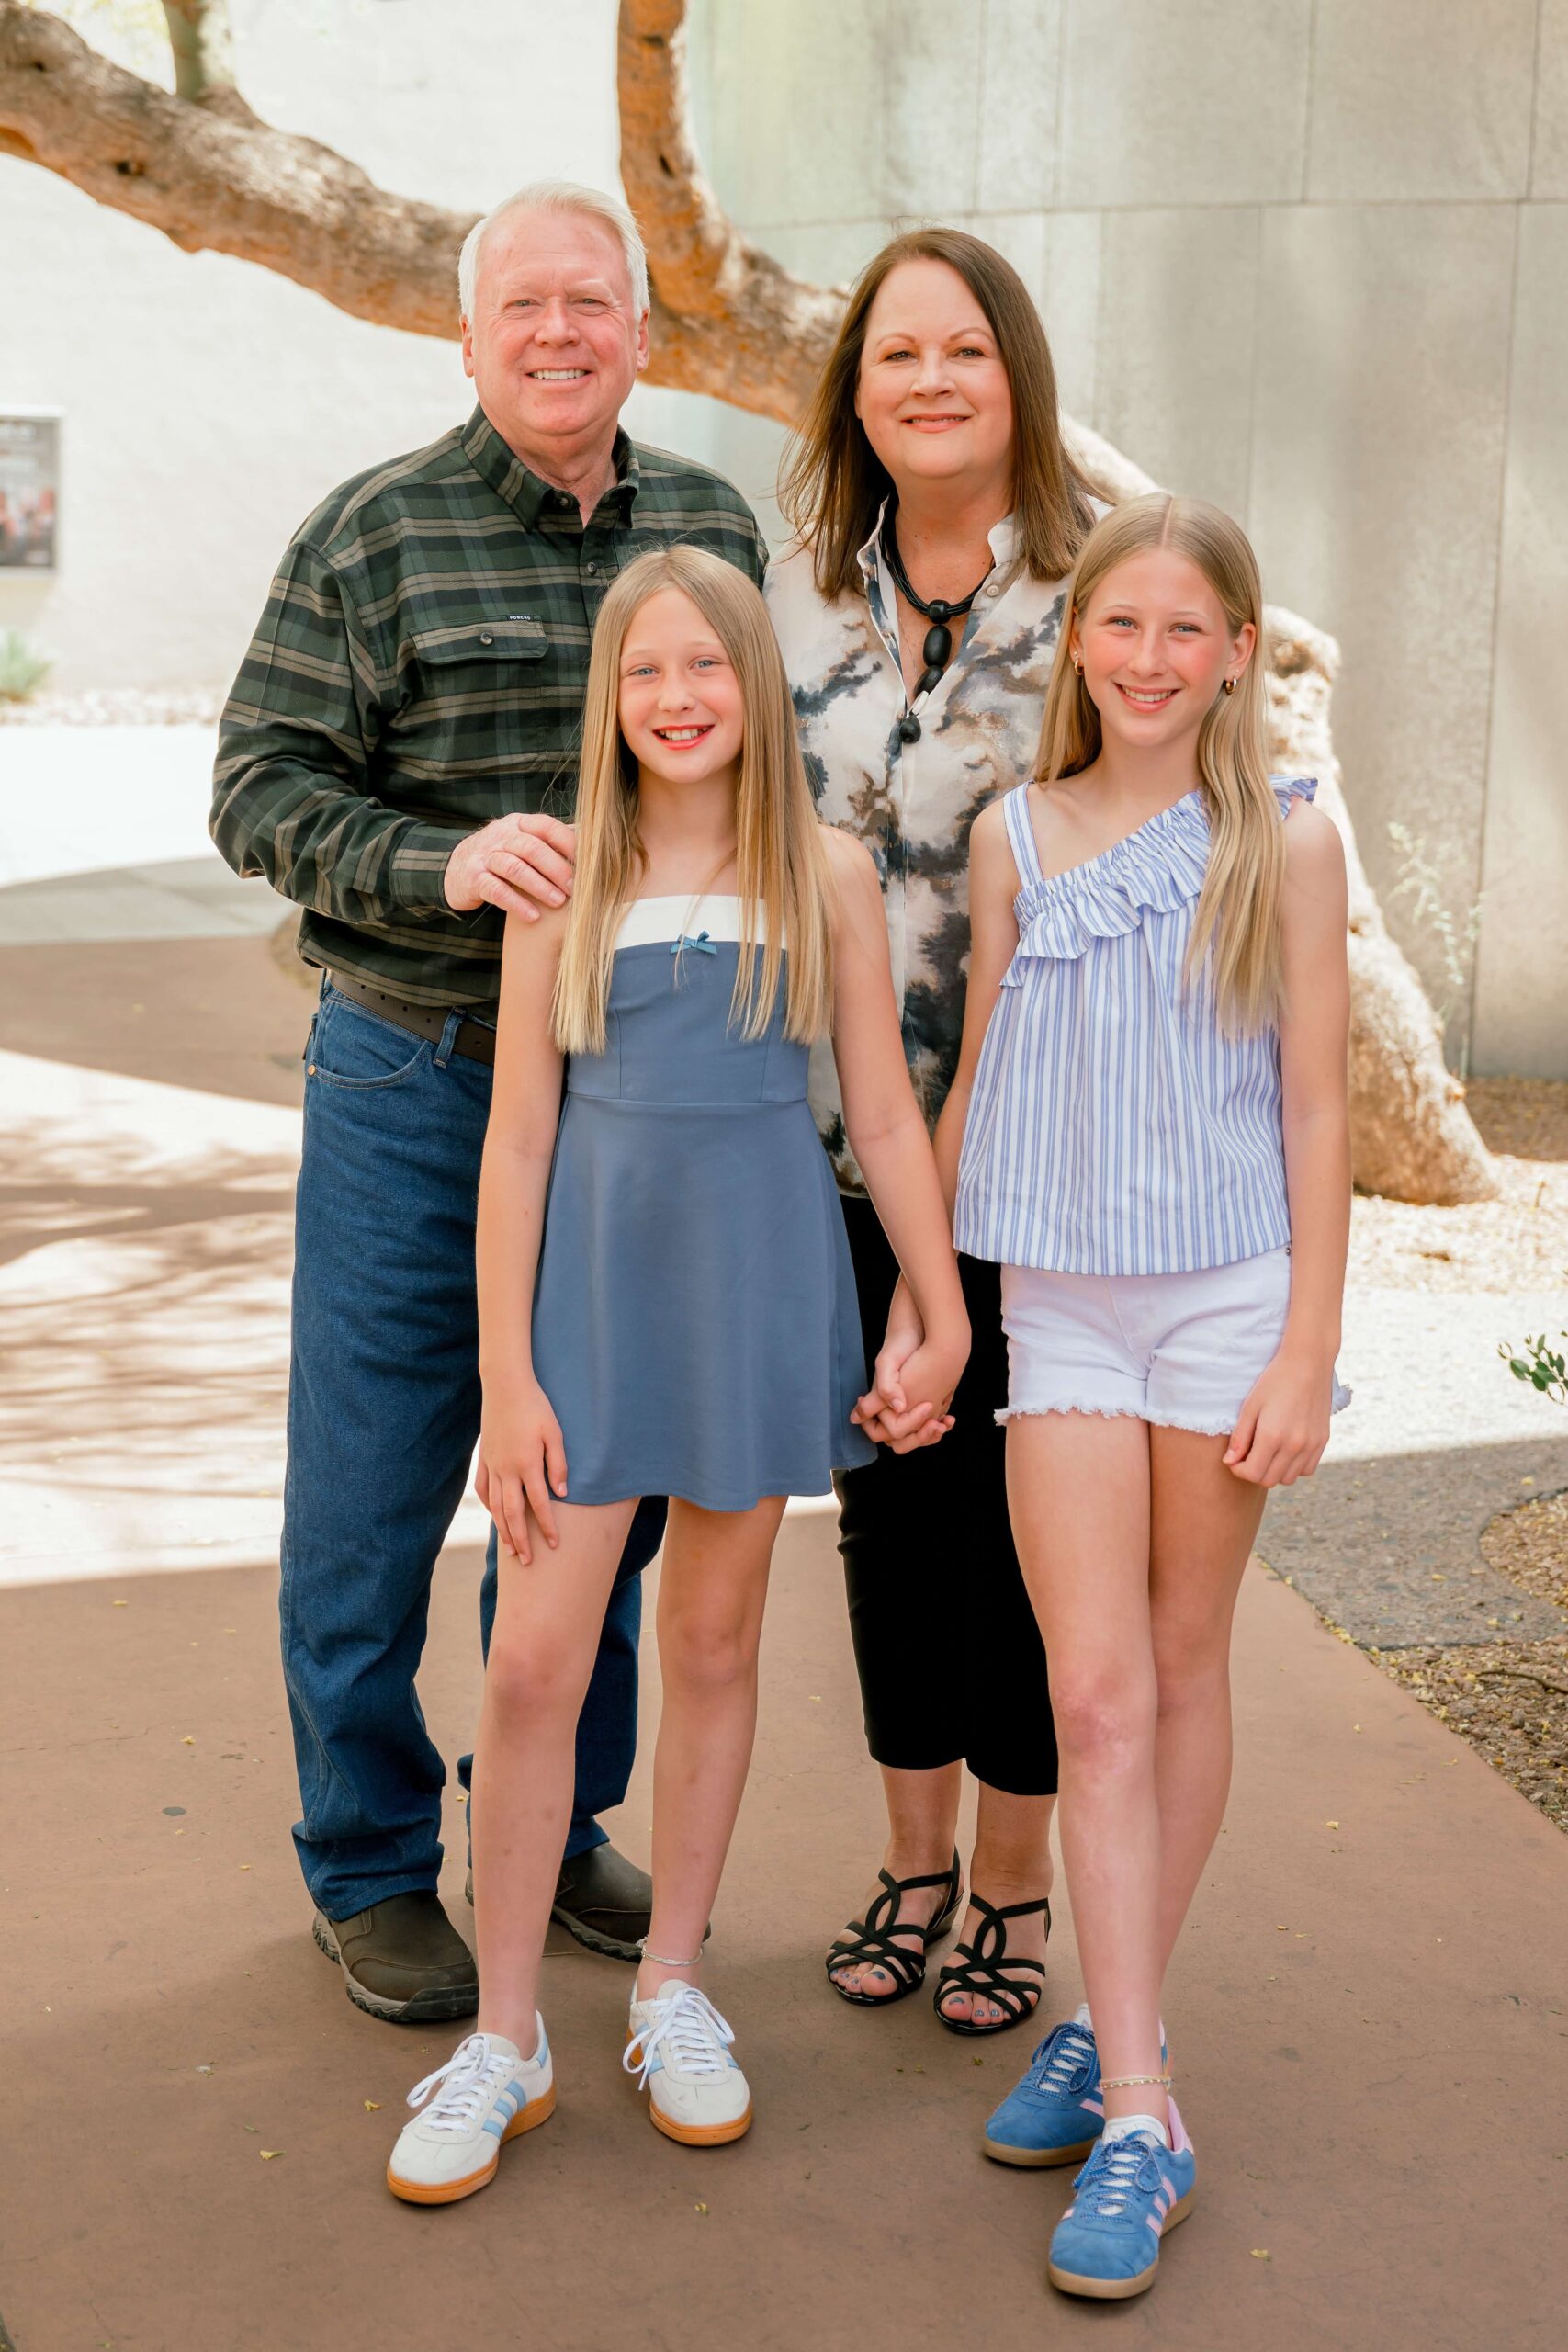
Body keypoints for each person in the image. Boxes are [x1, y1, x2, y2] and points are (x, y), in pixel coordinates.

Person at [210, 182, 769, 2022]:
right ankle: (366, 1861)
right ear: (468, 336)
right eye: (522, 305)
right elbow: (258, 791)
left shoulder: (705, 525)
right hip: (418, 1074)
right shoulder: (372, 536)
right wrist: (436, 867)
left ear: (637, 330)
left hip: (632, 1108)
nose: (558, 334)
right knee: (373, 1492)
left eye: (590, 304)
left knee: (582, 1479)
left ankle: (556, 1815)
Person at [383, 546, 968, 2203]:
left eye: (706, 666)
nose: (678, 698)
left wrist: (938, 1304)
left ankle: (673, 1987)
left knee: (713, 1641)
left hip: (758, 1302)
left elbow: (885, 1108)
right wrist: (507, 1370)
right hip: (590, 1319)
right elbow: (514, 1148)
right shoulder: (563, 882)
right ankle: (505, 2036)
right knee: (531, 1666)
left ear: (754, 686)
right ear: (610, 698)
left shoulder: (828, 877)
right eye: (644, 672)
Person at [952, 494, 1351, 2300]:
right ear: (1075, 643)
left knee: (1176, 1674)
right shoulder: (1010, 835)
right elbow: (973, 1090)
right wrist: (916, 1308)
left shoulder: (1283, 838)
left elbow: (1318, 1115)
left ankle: (1129, 2090)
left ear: (1237, 653)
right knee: (1088, 1691)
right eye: (1119, 624)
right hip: (1062, 1313)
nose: (1147, 658)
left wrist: (1302, 1350)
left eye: (1185, 629)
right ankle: (1131, 2064)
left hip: (1221, 1303)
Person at [765, 228, 1096, 2032]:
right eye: (894, 354)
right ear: (856, 393)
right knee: (889, 1503)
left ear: (1012, 376)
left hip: (1027, 1153)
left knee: (1013, 1518)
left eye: (962, 348)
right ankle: (907, 1860)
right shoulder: (796, 589)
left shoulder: (1085, 594)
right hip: (828, 1139)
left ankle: (1011, 1884)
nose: (928, 380)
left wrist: (951, 1190)